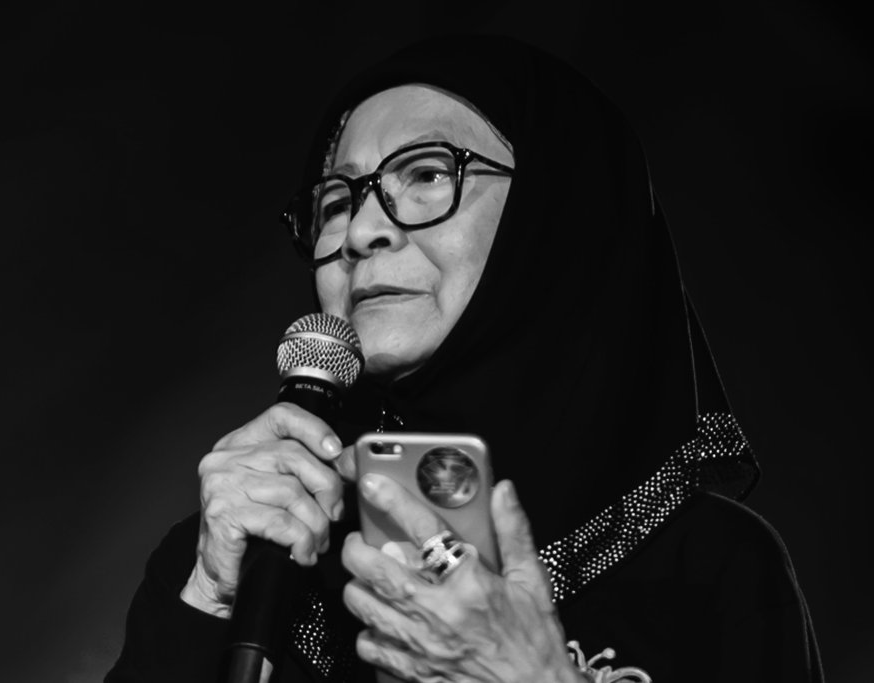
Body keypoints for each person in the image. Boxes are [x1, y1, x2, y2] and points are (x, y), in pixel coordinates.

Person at [106, 35, 823, 683]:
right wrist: (209, 597)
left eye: (424, 174)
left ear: (551, 212)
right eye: (336, 200)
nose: (360, 230)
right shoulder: (237, 551)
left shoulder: (709, 568)